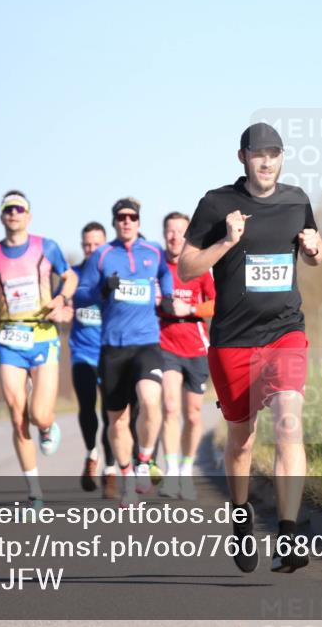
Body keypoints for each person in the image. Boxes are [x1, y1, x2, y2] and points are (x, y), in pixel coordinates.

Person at [179, 122, 322, 574]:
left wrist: (315, 249)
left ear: (282, 157)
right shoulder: (216, 203)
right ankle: (241, 520)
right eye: (258, 154)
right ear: (242, 157)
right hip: (233, 342)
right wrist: (226, 241)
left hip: (285, 332)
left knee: (288, 423)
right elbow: (186, 268)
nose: (266, 161)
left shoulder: (297, 200)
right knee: (241, 441)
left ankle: (288, 534)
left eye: (274, 154)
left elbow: (315, 252)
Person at [0, 191, 75, 508]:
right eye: (8, 209)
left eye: (19, 208)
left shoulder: (46, 247)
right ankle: (34, 494)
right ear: (1, 216)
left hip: (42, 335)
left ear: (28, 216)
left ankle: (47, 427)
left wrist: (61, 298)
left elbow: (69, 277)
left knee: (38, 414)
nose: (13, 213)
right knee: (17, 417)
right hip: (9, 339)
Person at [75, 197, 175, 507]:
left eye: (132, 217)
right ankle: (127, 476)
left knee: (150, 400)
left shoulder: (153, 251)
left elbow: (166, 273)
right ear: (115, 222)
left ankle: (144, 460)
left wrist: (167, 294)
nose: (127, 221)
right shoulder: (102, 255)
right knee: (117, 421)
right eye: (121, 217)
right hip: (113, 348)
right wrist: (102, 290)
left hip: (146, 343)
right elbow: (81, 294)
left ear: (139, 221)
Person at [157, 211, 216, 501]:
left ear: (188, 234)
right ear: (164, 234)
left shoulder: (198, 267)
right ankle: (170, 473)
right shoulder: (156, 266)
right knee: (170, 407)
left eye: (180, 231)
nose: (175, 236)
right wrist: (157, 302)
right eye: (170, 231)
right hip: (165, 343)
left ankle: (185, 470)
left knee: (192, 414)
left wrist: (191, 309)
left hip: (195, 347)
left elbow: (217, 303)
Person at [68, 221, 120, 498]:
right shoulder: (72, 275)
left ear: (105, 245)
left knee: (110, 413)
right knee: (87, 406)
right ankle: (91, 454)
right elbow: (61, 302)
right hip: (82, 352)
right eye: (86, 245)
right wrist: (61, 308)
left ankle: (110, 469)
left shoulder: (115, 275)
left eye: (96, 244)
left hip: (110, 352)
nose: (91, 249)